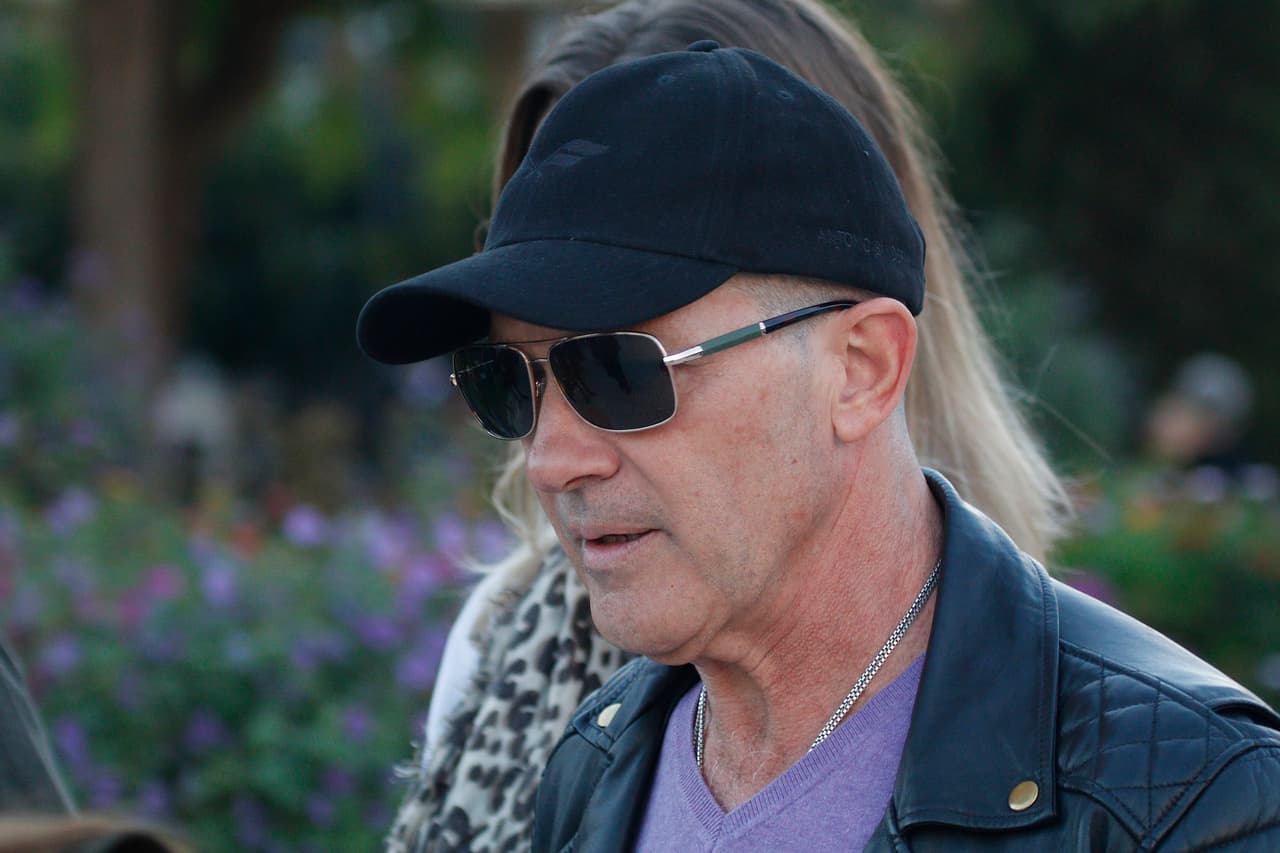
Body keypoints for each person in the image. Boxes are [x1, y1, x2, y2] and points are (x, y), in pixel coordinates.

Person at [359, 34, 1280, 851]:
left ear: (862, 369)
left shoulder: (1193, 805)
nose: (553, 460)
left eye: (618, 370)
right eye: (507, 384)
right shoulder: (596, 758)